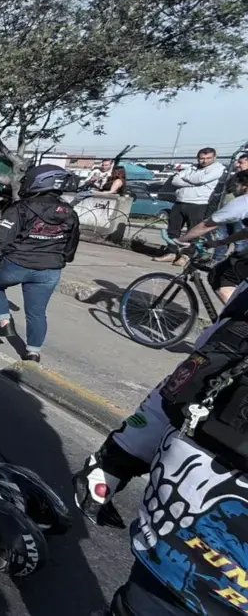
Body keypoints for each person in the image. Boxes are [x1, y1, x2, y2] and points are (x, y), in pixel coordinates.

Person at [74, 284, 248, 615]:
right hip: (184, 545)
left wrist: (114, 460)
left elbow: (187, 379)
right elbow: (194, 375)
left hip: (181, 535)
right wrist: (115, 460)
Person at [0, 164, 80, 363]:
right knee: (36, 313)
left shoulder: (21, 208)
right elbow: (71, 244)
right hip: (50, 270)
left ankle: (4, 322)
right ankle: (33, 352)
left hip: (17, 263)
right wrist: (62, 259)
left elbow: (2, 236)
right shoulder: (69, 212)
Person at [175, 170, 248, 304]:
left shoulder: (244, 201)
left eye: (236, 185)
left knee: (220, 277)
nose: (233, 189)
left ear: (244, 186)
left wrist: (180, 240)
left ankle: (236, 320)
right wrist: (221, 242)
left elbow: (207, 225)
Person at [156, 147, 225, 265]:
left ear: (214, 158)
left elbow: (201, 179)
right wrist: (192, 181)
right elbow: (175, 180)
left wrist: (187, 179)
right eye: (202, 158)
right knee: (173, 229)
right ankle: (171, 253)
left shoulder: (217, 168)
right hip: (180, 201)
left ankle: (186, 255)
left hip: (198, 203)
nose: (204, 161)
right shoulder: (192, 167)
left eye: (208, 158)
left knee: (193, 232)